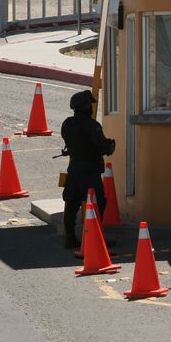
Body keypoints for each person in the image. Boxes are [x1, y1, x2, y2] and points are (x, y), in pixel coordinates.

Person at [60, 90, 115, 249]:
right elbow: (102, 147)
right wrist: (110, 146)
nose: (91, 106)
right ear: (84, 106)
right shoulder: (92, 125)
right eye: (89, 104)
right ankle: (96, 238)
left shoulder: (68, 124)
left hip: (74, 168)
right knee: (98, 203)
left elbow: (70, 143)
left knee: (72, 201)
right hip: (89, 170)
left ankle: (70, 238)